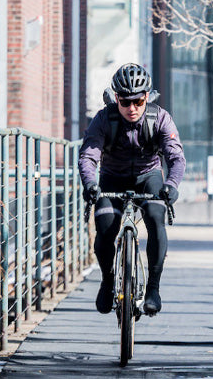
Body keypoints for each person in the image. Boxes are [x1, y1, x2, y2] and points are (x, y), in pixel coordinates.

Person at [79, 63, 185, 315]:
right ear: (116, 98)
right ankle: (107, 279)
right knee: (105, 228)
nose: (132, 108)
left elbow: (176, 158)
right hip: (111, 178)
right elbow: (88, 156)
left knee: (156, 219)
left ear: (146, 97)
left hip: (148, 177)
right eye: (125, 102)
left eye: (138, 101)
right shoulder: (104, 119)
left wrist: (171, 185)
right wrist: (90, 183)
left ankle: (153, 289)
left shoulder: (159, 118)